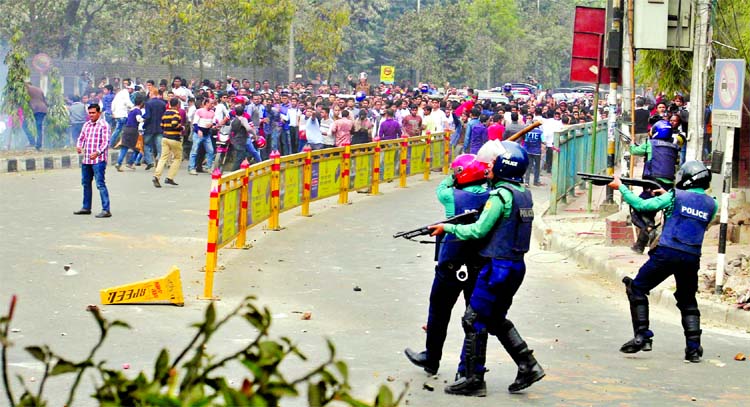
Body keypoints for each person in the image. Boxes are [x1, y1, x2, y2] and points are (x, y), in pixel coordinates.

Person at [429, 141, 545, 396]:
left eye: (493, 162)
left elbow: (478, 230)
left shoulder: (499, 197)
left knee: (473, 319)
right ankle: (528, 365)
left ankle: (473, 378)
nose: (488, 166)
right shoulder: (522, 193)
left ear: (505, 166)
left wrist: (448, 227)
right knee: (494, 318)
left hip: (497, 266)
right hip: (516, 266)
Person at [607, 161, 716, 363]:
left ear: (687, 178)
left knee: (637, 287)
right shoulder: (712, 204)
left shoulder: (674, 196)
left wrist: (621, 187)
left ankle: (642, 336)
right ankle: (693, 349)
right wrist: (666, 195)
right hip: (692, 257)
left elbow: (641, 205)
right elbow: (696, 219)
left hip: (666, 253)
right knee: (688, 300)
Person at [404, 154, 490, 376]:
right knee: (475, 319)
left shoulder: (450, 195)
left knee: (439, 313)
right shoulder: (493, 196)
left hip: (451, 265)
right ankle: (471, 367)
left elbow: (444, 184)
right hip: (479, 265)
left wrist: (454, 174)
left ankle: (431, 359)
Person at [629, 119, 680, 254]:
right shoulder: (674, 146)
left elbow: (634, 151)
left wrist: (630, 143)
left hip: (652, 184)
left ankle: (652, 231)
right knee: (649, 214)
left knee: (636, 212)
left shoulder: (650, 144)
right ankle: (640, 245)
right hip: (667, 188)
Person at [74, 104, 111, 218]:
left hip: (99, 160)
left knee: (100, 184)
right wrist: (79, 146)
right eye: (89, 113)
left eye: (93, 113)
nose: (91, 115)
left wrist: (98, 152)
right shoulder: (86, 125)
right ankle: (86, 207)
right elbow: (81, 138)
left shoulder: (104, 125)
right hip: (87, 160)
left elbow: (106, 142)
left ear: (99, 113)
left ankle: (106, 209)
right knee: (85, 183)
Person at [152, 98, 183, 188]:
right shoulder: (176, 114)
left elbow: (162, 125)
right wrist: (181, 127)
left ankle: (156, 176)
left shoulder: (165, 113)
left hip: (165, 137)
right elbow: (174, 124)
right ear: (177, 105)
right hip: (174, 138)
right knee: (177, 158)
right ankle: (170, 177)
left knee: (163, 158)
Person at [115, 94, 145, 171]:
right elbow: (138, 119)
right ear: (141, 103)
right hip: (133, 130)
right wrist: (144, 120)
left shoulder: (131, 110)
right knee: (137, 149)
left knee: (124, 147)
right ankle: (130, 162)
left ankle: (118, 163)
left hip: (126, 129)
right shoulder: (138, 110)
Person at [23, 83, 48, 150]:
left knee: (25, 125)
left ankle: (34, 143)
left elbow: (24, 100)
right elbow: (44, 100)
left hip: (35, 109)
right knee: (38, 126)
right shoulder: (38, 89)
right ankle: (37, 144)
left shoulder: (26, 90)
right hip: (43, 108)